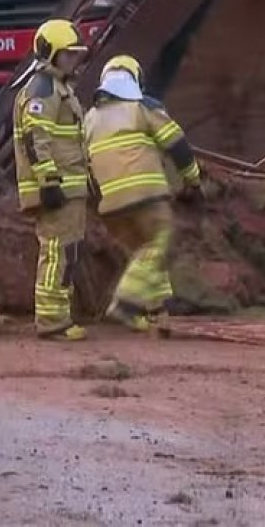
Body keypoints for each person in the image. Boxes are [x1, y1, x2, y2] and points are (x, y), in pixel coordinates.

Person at [83, 55, 202, 335]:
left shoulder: (89, 119)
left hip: (109, 205)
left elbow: (84, 164)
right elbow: (177, 145)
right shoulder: (143, 107)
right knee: (162, 241)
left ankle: (156, 314)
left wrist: (95, 200)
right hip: (145, 195)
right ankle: (125, 303)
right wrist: (193, 182)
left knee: (145, 255)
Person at [12, 19, 90, 341]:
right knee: (57, 251)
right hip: (57, 188)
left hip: (70, 185)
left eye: (76, 55)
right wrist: (48, 181)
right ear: (51, 54)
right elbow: (36, 137)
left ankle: (60, 315)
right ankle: (50, 321)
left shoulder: (58, 89)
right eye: (68, 54)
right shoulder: (42, 90)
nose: (74, 60)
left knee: (67, 251)